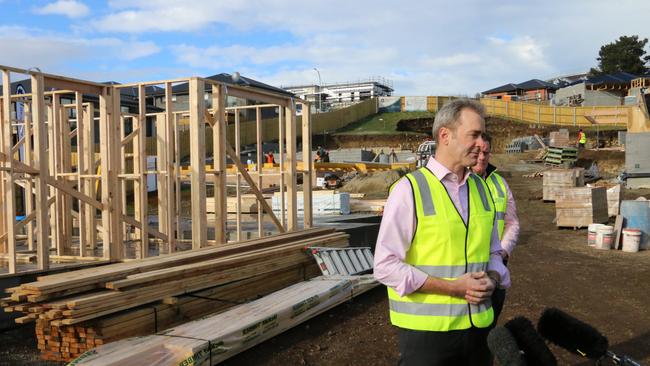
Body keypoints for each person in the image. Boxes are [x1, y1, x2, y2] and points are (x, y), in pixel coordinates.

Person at [374, 99, 510, 366]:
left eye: (483, 136)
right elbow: (385, 266)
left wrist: (493, 277)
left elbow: (494, 251)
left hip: (480, 330)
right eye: (474, 135)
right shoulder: (409, 190)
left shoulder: (481, 189)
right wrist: (452, 288)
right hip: (429, 336)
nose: (482, 144)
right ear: (445, 135)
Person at [471, 133, 519, 323]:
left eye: (486, 152)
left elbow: (512, 223)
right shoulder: (458, 183)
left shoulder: (500, 184)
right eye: (478, 152)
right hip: (471, 265)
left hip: (497, 266)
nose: (482, 157)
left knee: (492, 316)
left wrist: (502, 252)